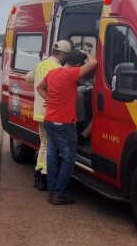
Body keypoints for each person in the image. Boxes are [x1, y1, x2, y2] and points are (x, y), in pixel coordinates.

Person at [37, 49, 97, 205]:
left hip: (49, 119)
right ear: (77, 64)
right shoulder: (71, 74)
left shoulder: (53, 72)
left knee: (52, 156)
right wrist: (87, 52)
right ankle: (58, 194)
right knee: (69, 158)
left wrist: (49, 100)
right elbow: (94, 63)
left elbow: (40, 88)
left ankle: (52, 192)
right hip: (64, 122)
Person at [24, 40, 71, 191]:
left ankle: (38, 174)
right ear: (62, 54)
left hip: (38, 112)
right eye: (66, 56)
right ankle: (44, 177)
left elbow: (28, 78)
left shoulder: (40, 65)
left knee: (43, 144)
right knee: (50, 146)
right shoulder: (57, 69)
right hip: (51, 113)